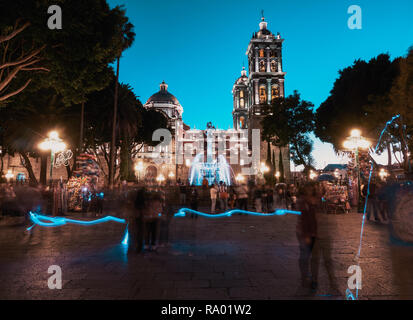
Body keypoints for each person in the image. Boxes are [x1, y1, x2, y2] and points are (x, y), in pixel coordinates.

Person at [296, 182, 320, 290]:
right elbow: (304, 219)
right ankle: (304, 278)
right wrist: (305, 234)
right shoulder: (303, 201)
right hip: (305, 233)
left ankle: (314, 279)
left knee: (313, 258)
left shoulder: (315, 201)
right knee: (305, 257)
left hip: (314, 232)